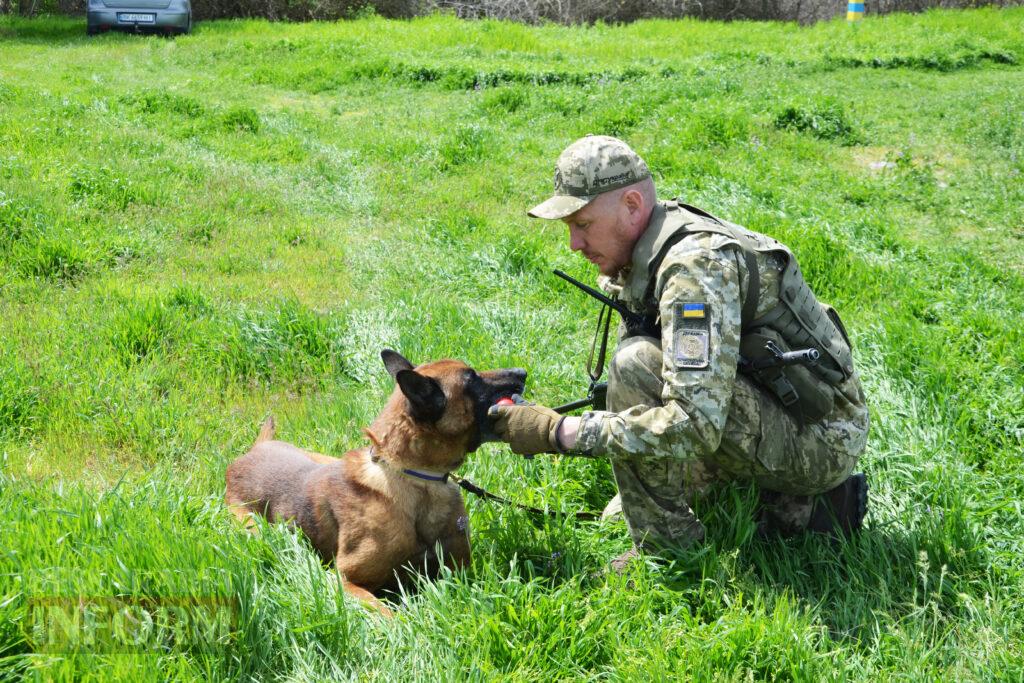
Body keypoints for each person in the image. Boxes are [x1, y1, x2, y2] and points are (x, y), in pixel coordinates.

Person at [490, 135, 870, 569]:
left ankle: (668, 549)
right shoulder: (647, 248)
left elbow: (695, 424)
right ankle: (798, 508)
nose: (574, 243)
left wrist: (561, 432)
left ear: (632, 205)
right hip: (778, 404)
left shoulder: (695, 271)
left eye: (583, 224)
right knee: (627, 475)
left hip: (824, 437)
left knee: (634, 367)